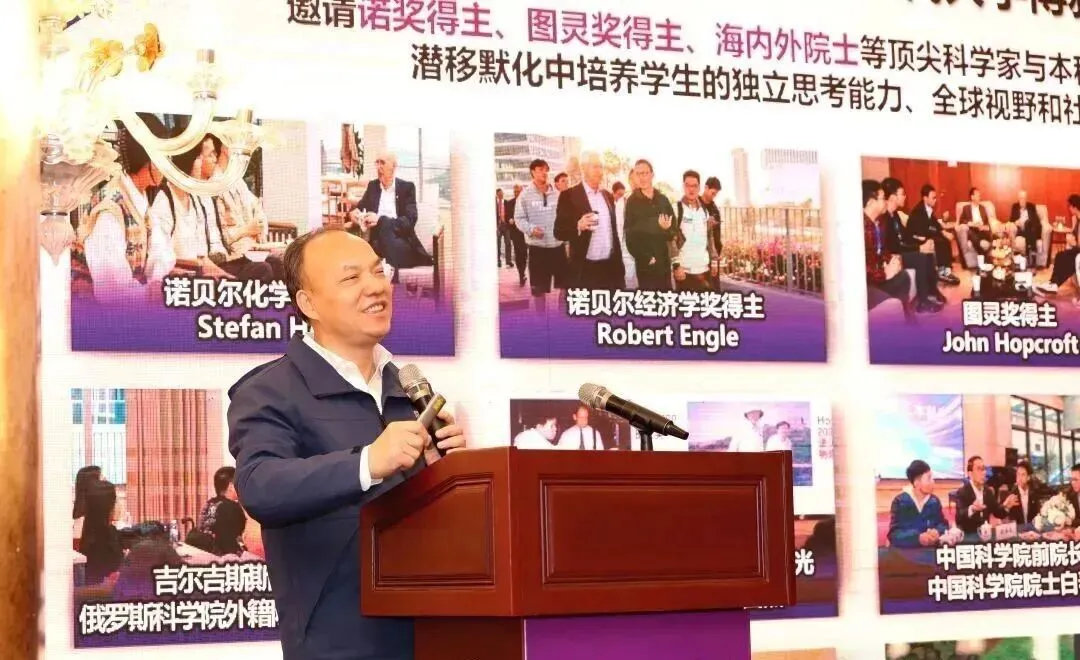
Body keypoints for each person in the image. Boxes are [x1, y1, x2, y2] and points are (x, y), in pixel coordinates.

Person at [227, 227, 468, 660]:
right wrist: (368, 462)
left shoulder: (409, 388)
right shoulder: (269, 391)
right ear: (308, 304)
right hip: (338, 643)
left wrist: (447, 474)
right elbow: (260, 486)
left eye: (378, 271)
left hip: (434, 634)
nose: (376, 286)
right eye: (351, 277)